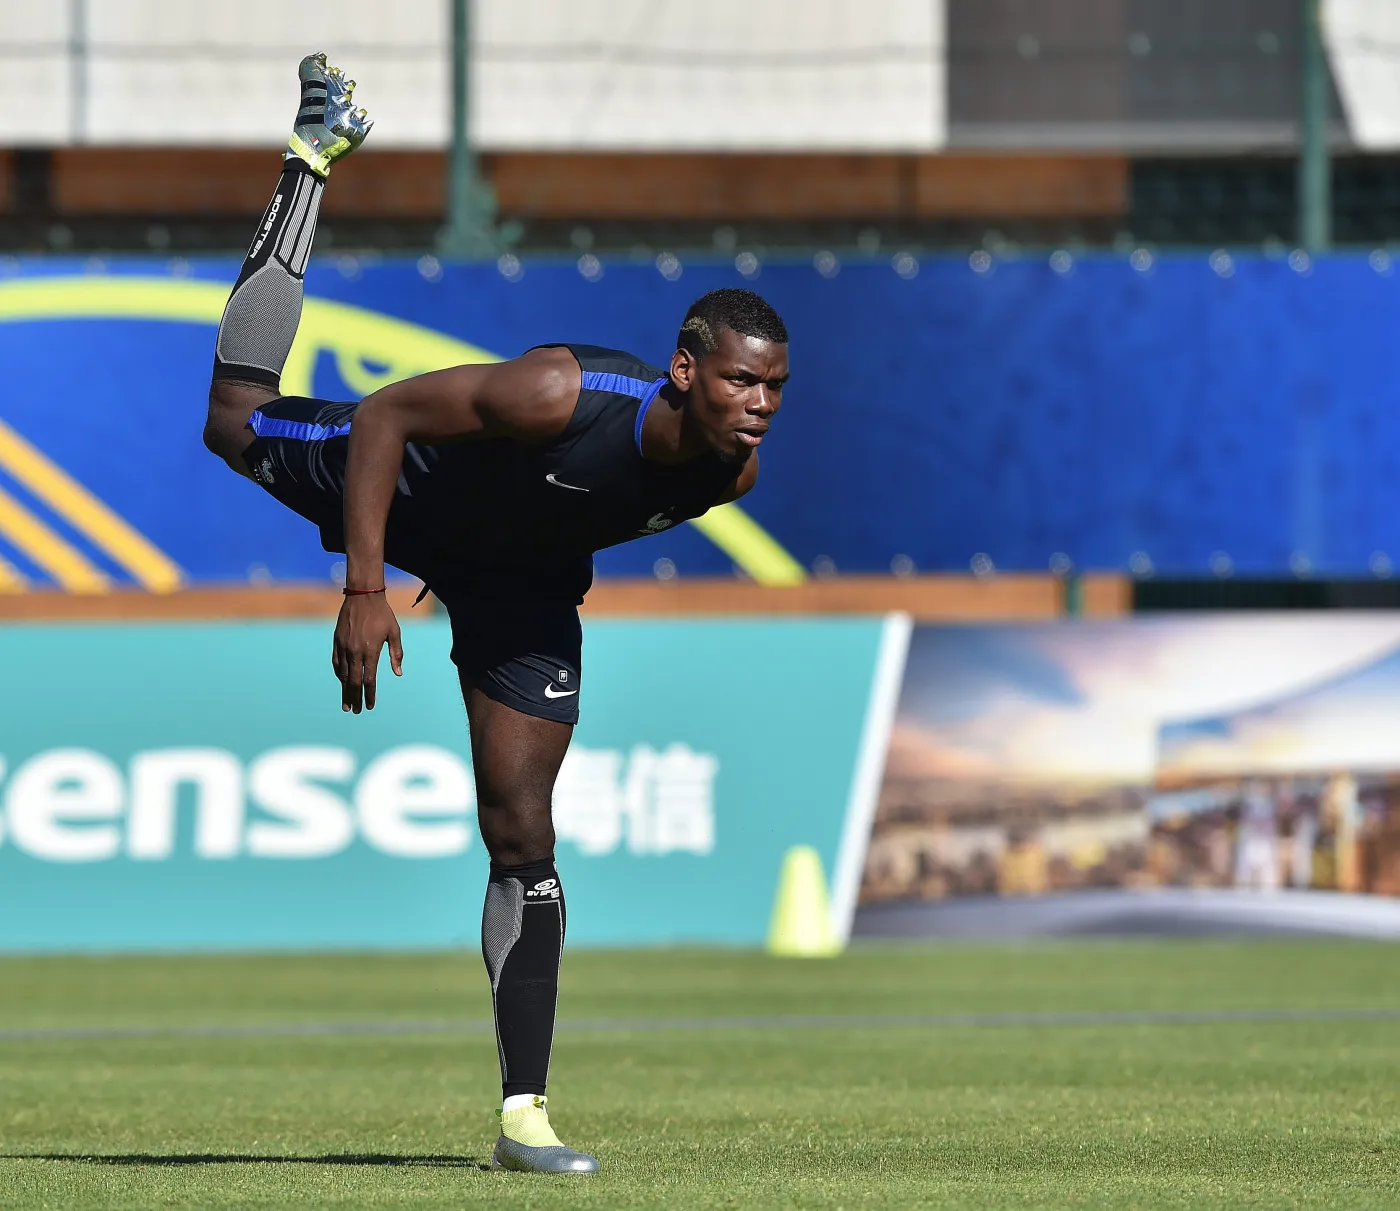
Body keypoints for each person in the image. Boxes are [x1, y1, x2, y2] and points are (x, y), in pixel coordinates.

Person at [201, 54, 790, 1175]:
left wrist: (515, 576)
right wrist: (366, 588)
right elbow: (385, 416)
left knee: (522, 834)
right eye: (738, 383)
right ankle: (313, 156)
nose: (758, 406)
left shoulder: (731, 475)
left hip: (520, 585)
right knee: (233, 419)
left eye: (773, 389)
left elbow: (585, 513)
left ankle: (525, 1116)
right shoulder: (556, 393)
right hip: (408, 491)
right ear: (684, 370)